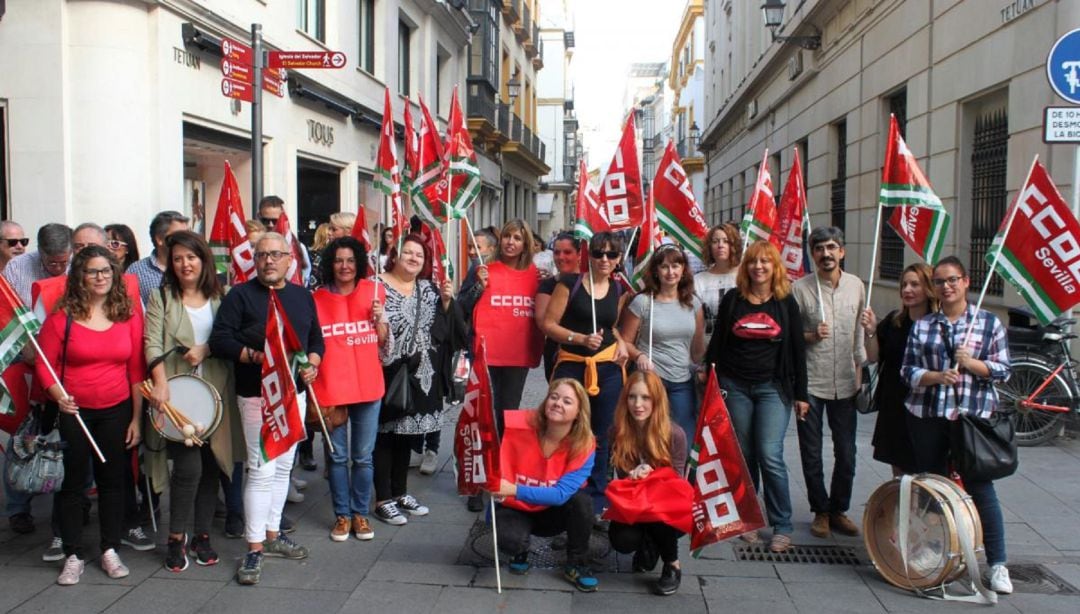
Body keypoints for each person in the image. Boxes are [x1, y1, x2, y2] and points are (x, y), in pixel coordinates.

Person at [209, 232, 324, 586]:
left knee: (283, 467)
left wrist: (314, 363)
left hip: (295, 395)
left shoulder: (303, 296)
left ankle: (273, 535)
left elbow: (315, 338)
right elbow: (220, 340)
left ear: (290, 259)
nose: (269, 261)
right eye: (262, 255)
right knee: (261, 469)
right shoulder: (240, 296)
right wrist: (256, 357)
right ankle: (254, 547)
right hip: (258, 396)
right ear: (254, 260)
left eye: (275, 254)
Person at [900, 256, 1013, 594]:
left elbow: (1004, 370)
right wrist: (936, 376)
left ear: (965, 282)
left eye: (952, 280)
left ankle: (998, 565)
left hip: (972, 419)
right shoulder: (924, 326)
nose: (946, 287)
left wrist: (973, 364)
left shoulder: (989, 323)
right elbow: (907, 371)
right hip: (929, 414)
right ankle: (932, 555)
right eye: (939, 281)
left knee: (981, 489)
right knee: (932, 489)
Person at [36, 245, 144, 585]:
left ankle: (110, 548)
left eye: (106, 271)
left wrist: (137, 419)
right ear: (79, 276)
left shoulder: (125, 314)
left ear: (115, 275)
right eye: (92, 271)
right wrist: (58, 396)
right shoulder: (61, 317)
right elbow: (44, 363)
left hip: (117, 410)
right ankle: (73, 554)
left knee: (113, 482)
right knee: (72, 485)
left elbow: (136, 370)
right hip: (74, 412)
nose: (100, 277)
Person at [145, 231, 244, 572]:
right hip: (177, 396)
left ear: (203, 259)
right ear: (170, 264)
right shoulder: (162, 298)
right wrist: (159, 386)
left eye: (191, 257)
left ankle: (202, 535)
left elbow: (231, 337)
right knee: (188, 469)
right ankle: (176, 537)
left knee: (213, 467)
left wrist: (208, 347)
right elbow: (151, 344)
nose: (185, 264)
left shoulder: (223, 297)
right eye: (178, 258)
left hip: (216, 394)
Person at [704, 240, 808, 553]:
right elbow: (719, 341)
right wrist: (709, 376)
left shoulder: (785, 302)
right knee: (745, 456)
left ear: (775, 267)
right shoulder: (733, 299)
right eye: (753, 262)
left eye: (765, 262)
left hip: (773, 388)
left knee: (770, 454)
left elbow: (797, 351)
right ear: (746, 266)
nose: (758, 267)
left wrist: (801, 394)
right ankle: (748, 518)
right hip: (735, 386)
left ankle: (782, 523)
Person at [374, 234, 464, 525]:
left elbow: (447, 331)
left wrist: (448, 302)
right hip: (390, 371)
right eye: (408, 252)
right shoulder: (377, 284)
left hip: (424, 372)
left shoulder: (429, 288)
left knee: (408, 437)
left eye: (419, 255)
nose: (413, 258)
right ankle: (382, 498)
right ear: (395, 255)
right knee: (386, 435)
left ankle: (400, 492)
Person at [542, 230, 630, 516]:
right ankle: (563, 490)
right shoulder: (570, 283)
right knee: (565, 429)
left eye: (611, 254)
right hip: (572, 367)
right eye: (598, 253)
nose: (604, 259)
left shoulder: (619, 289)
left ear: (618, 259)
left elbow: (613, 326)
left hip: (607, 368)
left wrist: (623, 345)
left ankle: (595, 499)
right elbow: (548, 324)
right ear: (588, 256)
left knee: (601, 434)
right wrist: (579, 339)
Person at [487, 378, 599, 592]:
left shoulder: (585, 445)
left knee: (582, 502)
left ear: (578, 413)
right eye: (554, 397)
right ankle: (520, 550)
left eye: (567, 401)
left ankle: (577, 562)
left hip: (552, 511)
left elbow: (560, 495)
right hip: (515, 507)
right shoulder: (519, 426)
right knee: (509, 542)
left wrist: (513, 489)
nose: (558, 403)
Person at [312, 236, 389, 542]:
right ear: (331, 264)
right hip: (332, 388)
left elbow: (384, 342)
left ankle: (361, 514)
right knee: (337, 457)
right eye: (338, 260)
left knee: (363, 456)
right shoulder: (316, 298)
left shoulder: (374, 292)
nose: (344, 266)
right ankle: (342, 515)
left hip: (368, 386)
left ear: (359, 263)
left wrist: (380, 320)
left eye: (350, 260)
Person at [792, 227, 866, 539]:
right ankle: (820, 510)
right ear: (813, 254)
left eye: (832, 247)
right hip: (811, 382)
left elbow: (859, 334)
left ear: (842, 252)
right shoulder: (800, 289)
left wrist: (860, 370)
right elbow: (792, 340)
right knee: (811, 452)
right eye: (820, 248)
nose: (826, 254)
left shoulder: (856, 286)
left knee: (847, 452)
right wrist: (811, 335)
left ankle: (839, 509)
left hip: (846, 382)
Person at [607, 371, 688, 596]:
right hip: (634, 503)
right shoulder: (617, 432)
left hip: (667, 508)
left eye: (645, 398)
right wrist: (632, 476)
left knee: (658, 513)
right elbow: (620, 479)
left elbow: (677, 484)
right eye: (632, 397)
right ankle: (650, 544)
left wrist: (654, 475)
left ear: (657, 400)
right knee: (621, 540)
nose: (638, 404)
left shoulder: (674, 434)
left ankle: (672, 564)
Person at [619, 244, 705, 441]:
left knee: (683, 436)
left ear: (683, 269)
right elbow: (625, 342)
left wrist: (703, 368)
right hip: (649, 379)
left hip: (682, 380)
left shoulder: (694, 304)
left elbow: (697, 349)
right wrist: (639, 355)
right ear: (656, 271)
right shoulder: (643, 302)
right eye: (664, 266)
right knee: (645, 436)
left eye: (676, 266)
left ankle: (678, 473)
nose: (670, 272)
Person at [859, 263, 937, 476]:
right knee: (899, 472)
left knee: (924, 470)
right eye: (904, 285)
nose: (907, 290)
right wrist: (871, 332)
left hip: (925, 406)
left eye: (915, 284)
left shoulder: (938, 325)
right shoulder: (895, 321)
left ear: (929, 288)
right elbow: (874, 356)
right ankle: (902, 508)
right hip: (893, 403)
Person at [466, 219, 543, 431]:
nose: (510, 242)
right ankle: (484, 456)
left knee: (508, 408)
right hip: (487, 351)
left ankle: (503, 456)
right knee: (485, 408)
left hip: (518, 354)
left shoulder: (536, 275)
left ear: (526, 243)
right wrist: (477, 287)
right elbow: (462, 306)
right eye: (507, 236)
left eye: (517, 238)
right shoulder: (484, 270)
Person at [536, 232, 581, 381]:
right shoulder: (548, 284)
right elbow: (543, 322)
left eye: (567, 252)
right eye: (556, 252)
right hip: (557, 351)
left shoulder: (592, 284)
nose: (561, 257)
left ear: (579, 254)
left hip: (590, 352)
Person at [128, 211, 191, 305]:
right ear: (159, 239)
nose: (185, 240)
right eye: (179, 235)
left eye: (188, 234)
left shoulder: (193, 266)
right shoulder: (137, 270)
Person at [3, 223, 72, 306]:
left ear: (71, 252)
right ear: (40, 251)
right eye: (52, 263)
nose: (58, 268)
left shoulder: (79, 267)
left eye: (64, 262)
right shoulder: (16, 268)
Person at [694, 224, 741, 344]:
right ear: (709, 247)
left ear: (734, 245)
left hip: (739, 348)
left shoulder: (745, 277)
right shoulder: (698, 281)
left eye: (726, 241)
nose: (720, 245)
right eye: (715, 241)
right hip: (707, 347)